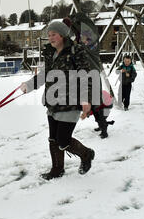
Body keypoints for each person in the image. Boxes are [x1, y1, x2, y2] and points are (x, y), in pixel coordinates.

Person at [20, 20, 96, 180]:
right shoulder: (50, 53)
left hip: (71, 103)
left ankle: (87, 154)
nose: (50, 37)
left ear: (62, 35)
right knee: (53, 139)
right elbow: (44, 75)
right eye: (48, 35)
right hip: (53, 103)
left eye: (53, 34)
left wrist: (85, 99)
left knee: (63, 140)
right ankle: (57, 169)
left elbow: (85, 76)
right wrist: (29, 85)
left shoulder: (75, 51)